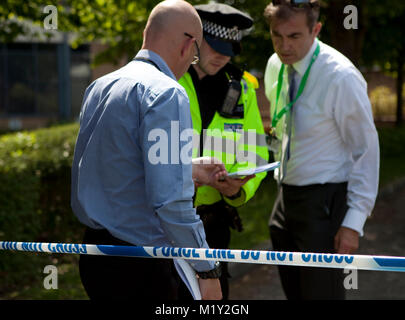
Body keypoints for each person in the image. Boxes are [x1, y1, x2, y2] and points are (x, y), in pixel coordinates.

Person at [70, 0, 224, 300]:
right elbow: (171, 201)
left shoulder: (100, 86)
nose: (189, 63)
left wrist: (186, 167)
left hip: (94, 254)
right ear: (188, 45)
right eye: (194, 56)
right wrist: (207, 269)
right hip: (143, 264)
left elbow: (113, 163)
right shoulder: (167, 92)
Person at [263, 0, 379, 300]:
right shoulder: (275, 65)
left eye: (294, 36)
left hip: (325, 202)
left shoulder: (341, 76)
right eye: (277, 35)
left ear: (316, 30)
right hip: (285, 199)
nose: (284, 46)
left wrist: (353, 224)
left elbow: (366, 151)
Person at [178, 3, 269, 299]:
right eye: (215, 46)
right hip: (169, 222)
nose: (224, 56)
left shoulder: (241, 88)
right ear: (194, 40)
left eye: (230, 48)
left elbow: (256, 153)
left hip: (215, 226)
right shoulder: (168, 81)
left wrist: (237, 190)